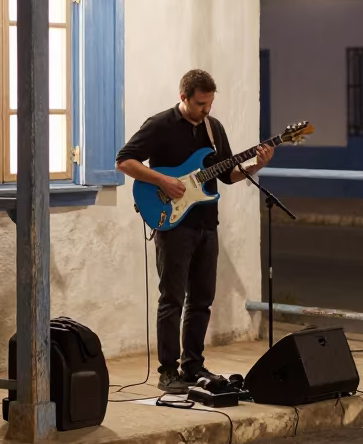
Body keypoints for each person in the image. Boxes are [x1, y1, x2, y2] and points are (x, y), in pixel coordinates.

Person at [116, 69, 274, 392]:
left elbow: (228, 175)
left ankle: (193, 365)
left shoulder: (214, 129)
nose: (206, 110)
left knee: (202, 299)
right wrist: (163, 180)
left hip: (206, 224)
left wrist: (257, 165)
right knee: (172, 298)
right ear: (183, 96)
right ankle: (167, 370)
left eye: (210, 103)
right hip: (172, 224)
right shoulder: (159, 125)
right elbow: (124, 161)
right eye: (201, 104)